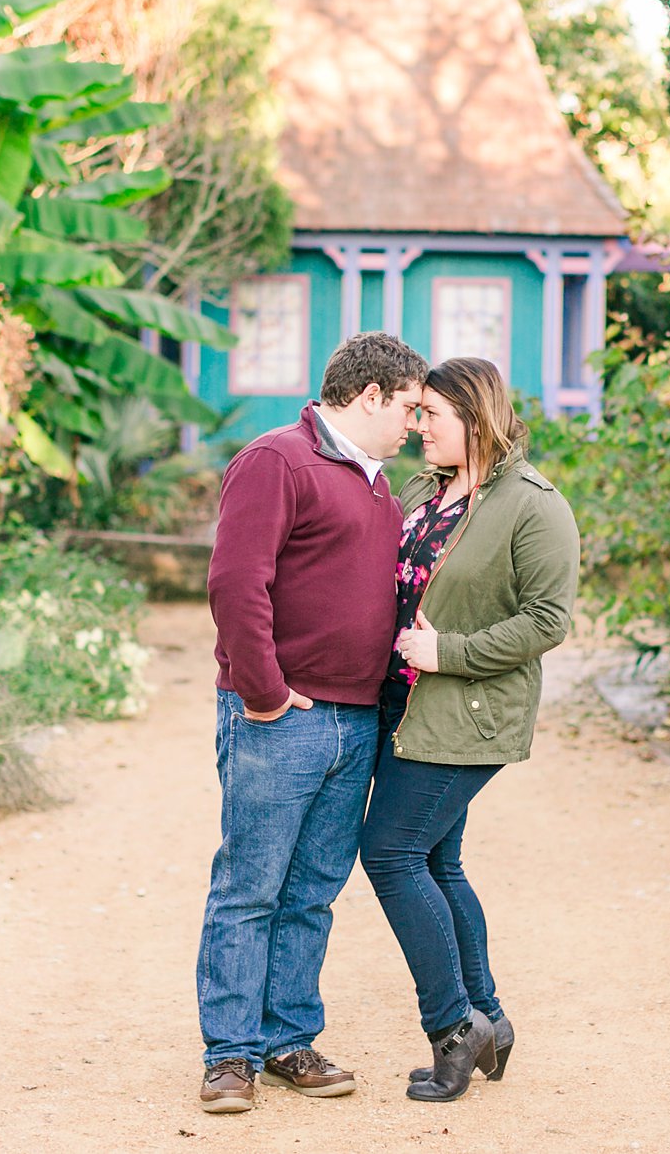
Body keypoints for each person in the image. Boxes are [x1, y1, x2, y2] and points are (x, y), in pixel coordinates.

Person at [196, 332, 429, 1115]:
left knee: (311, 894)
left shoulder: (380, 485)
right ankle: (229, 1055)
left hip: (354, 722)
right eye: (406, 407)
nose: (414, 423)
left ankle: (288, 1038)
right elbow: (235, 581)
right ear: (369, 395)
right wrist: (262, 691)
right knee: (250, 886)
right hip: (280, 717)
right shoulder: (278, 460)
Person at [360, 356, 580, 1102]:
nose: (418, 426)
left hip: (468, 710)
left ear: (476, 419)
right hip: (407, 703)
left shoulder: (534, 504)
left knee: (389, 851)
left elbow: (548, 620)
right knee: (436, 862)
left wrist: (445, 650)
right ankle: (490, 1019)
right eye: (416, 413)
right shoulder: (424, 488)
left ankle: (454, 1027)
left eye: (433, 415)